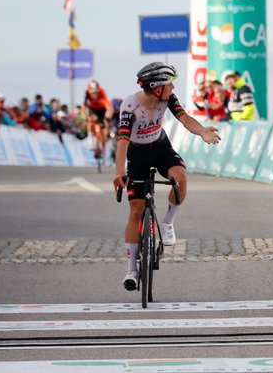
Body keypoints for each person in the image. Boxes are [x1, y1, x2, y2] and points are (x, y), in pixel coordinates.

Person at [113, 62, 220, 291]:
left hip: (160, 148)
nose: (172, 87)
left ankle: (168, 222)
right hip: (137, 155)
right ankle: (131, 269)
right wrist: (119, 173)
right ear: (155, 87)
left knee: (180, 177)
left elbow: (184, 118)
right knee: (136, 210)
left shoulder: (167, 98)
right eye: (168, 83)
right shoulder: (130, 106)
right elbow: (122, 142)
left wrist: (202, 131)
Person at [82, 80, 114, 157]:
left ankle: (103, 145)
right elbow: (83, 109)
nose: (95, 94)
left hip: (102, 110)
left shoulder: (102, 93)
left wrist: (108, 118)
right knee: (90, 122)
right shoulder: (86, 95)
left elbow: (110, 108)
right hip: (92, 110)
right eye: (92, 92)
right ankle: (90, 139)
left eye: (96, 92)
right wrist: (86, 118)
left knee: (105, 127)